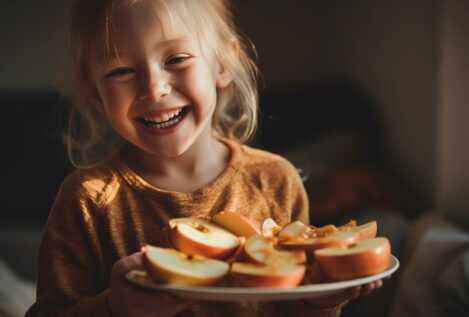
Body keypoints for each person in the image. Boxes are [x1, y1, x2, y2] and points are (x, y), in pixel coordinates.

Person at [26, 0, 386, 316]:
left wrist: (323, 298)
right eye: (121, 71)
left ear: (223, 63)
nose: (154, 88)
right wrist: (115, 308)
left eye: (177, 59)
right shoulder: (86, 200)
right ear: (94, 93)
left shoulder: (276, 180)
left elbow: (296, 306)